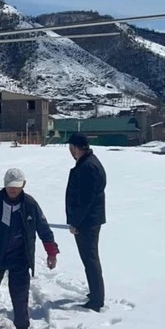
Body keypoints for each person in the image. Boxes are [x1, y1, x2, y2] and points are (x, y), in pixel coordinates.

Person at [0, 168, 59, 329]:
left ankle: (22, 327)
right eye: (10, 186)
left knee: (20, 294)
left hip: (20, 256)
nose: (12, 189)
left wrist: (51, 252)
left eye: (16, 186)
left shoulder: (30, 204)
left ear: (23, 185)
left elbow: (43, 229)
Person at [65, 132, 107, 312]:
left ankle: (97, 299)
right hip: (89, 219)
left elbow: (85, 200)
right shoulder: (88, 163)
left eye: (70, 147)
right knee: (89, 258)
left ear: (75, 147)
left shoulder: (88, 166)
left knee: (90, 259)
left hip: (87, 221)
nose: (69, 151)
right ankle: (95, 293)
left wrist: (75, 222)